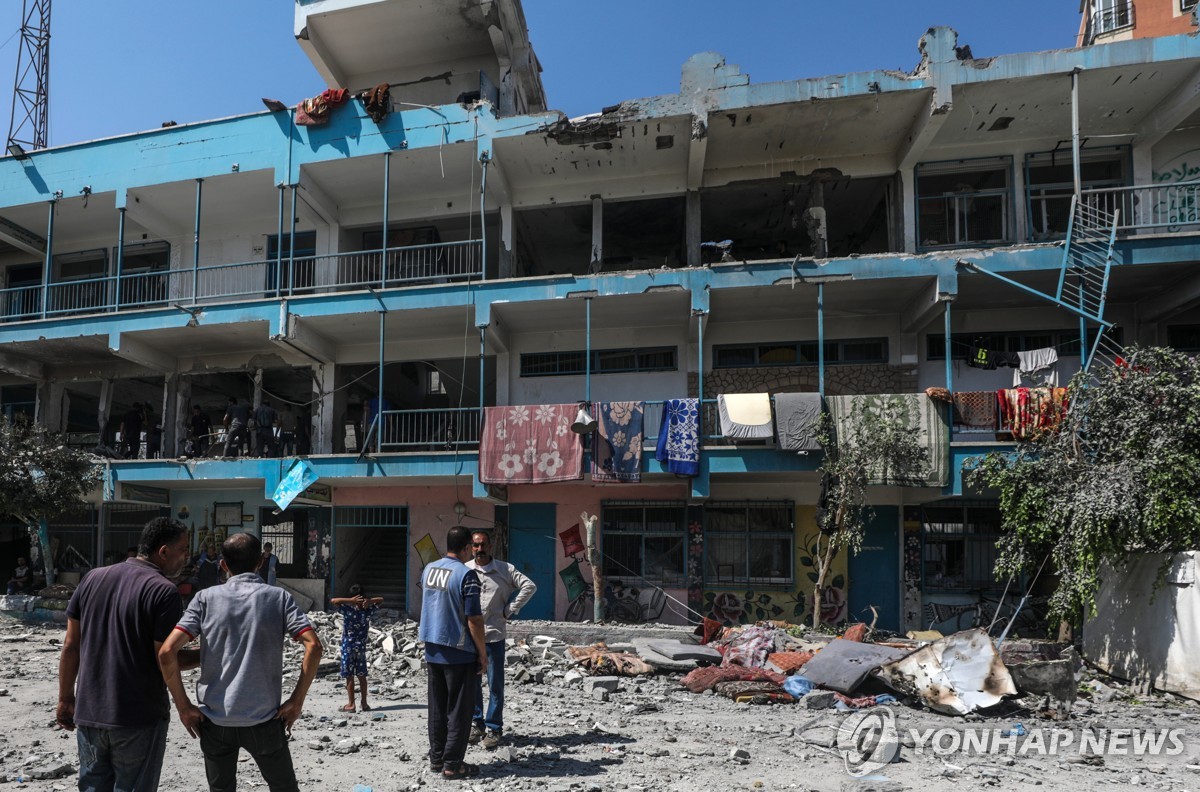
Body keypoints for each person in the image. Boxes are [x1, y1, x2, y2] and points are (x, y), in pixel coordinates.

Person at [158, 533, 321, 792]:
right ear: (260, 563)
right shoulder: (279, 598)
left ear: (223, 564)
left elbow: (167, 652)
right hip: (265, 720)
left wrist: (184, 706)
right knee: (284, 787)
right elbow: (314, 645)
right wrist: (296, 701)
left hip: (215, 721)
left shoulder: (204, 599)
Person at [57, 517, 196, 792]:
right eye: (183, 550)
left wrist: (65, 699)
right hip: (138, 718)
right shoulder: (163, 591)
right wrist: (208, 657)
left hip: (90, 714)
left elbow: (71, 646)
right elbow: (166, 659)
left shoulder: (92, 578)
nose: (186, 557)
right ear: (164, 552)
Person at [418, 525, 487, 780]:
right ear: (468, 547)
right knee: (459, 711)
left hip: (432, 648)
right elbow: (474, 619)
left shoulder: (429, 569)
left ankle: (437, 759)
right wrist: (482, 653)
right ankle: (452, 764)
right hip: (459, 651)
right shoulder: (467, 576)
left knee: (437, 708)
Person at [466, 530, 537, 749]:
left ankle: (494, 728)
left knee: (495, 684)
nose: (480, 549)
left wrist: (510, 609)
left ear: (491, 546)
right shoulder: (465, 569)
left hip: (494, 636)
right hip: (469, 637)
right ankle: (476, 724)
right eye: (476, 545)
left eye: (483, 544)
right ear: (471, 547)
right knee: (473, 683)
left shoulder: (505, 570)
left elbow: (530, 586)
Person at [329, 584, 384, 712]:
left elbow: (334, 601)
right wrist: (370, 601)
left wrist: (351, 601)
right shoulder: (367, 611)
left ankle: (351, 704)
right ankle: (364, 704)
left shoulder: (348, 610)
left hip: (347, 647)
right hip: (361, 648)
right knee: (362, 676)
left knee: (349, 676)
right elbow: (381, 599)